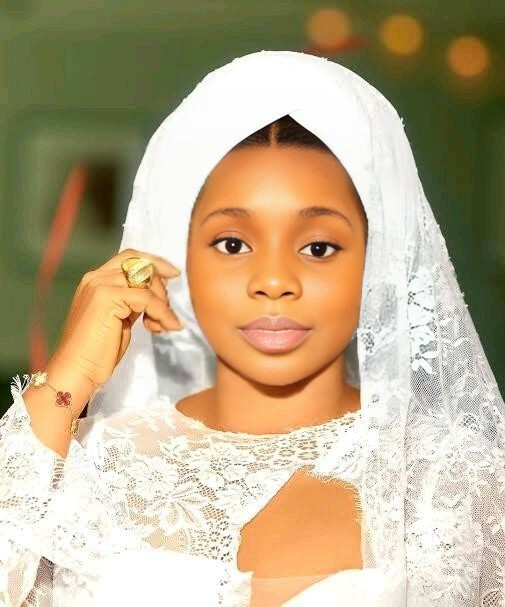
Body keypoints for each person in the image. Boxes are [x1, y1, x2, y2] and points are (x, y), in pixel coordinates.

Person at [0, 50, 503, 607]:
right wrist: (66, 383)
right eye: (233, 243)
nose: (273, 281)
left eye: (318, 247)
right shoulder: (84, 465)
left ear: (376, 262)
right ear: (181, 255)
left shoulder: (455, 487)